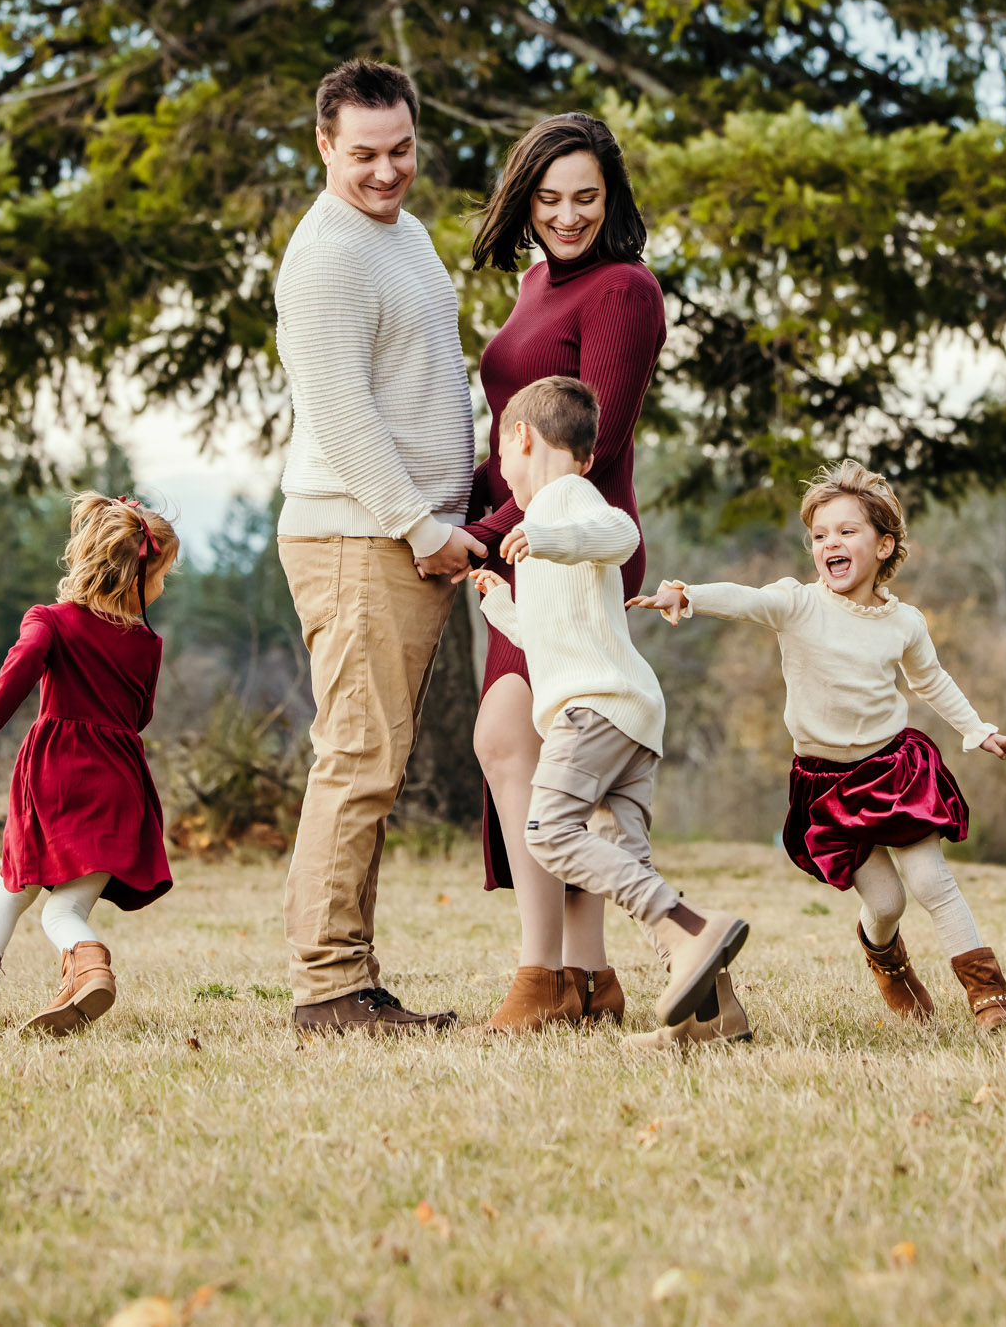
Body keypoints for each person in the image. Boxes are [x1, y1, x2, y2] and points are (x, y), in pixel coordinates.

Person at [630, 461, 1006, 1036]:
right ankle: (885, 957)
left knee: (931, 883)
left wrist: (981, 731)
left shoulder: (905, 623)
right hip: (827, 786)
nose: (830, 544)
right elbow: (743, 599)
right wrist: (685, 594)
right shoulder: (797, 603)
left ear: (884, 545)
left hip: (893, 770)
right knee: (887, 901)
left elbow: (931, 682)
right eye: (820, 535)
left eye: (846, 531)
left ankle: (992, 1002)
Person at [272, 59, 483, 1035]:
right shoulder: (327, 257)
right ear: (324, 144)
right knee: (357, 756)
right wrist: (419, 524)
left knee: (375, 757)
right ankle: (326, 986)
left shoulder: (404, 237)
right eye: (363, 153)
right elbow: (343, 417)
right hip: (358, 536)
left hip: (402, 537)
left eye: (400, 148)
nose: (387, 169)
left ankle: (349, 975)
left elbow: (428, 375)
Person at [463, 113, 667, 1033]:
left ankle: (540, 973)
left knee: (509, 737)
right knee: (543, 754)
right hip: (523, 540)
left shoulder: (624, 288)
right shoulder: (536, 281)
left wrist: (494, 531)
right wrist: (463, 516)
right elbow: (518, 431)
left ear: (611, 197)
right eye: (549, 198)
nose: (568, 214)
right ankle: (588, 976)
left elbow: (600, 437)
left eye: (586, 196)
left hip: (576, 544)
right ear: (525, 199)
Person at [471, 376, 751, 1039]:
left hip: (591, 712)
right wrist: (500, 603)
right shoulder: (547, 526)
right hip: (625, 711)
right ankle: (719, 1014)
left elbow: (617, 533)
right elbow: (550, 633)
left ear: (523, 438)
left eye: (501, 457)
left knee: (549, 832)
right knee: (622, 850)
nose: (500, 473)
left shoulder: (565, 501)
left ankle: (692, 927)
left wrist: (544, 539)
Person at [0, 494, 179, 1037]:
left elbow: (19, 671)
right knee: (63, 908)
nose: (163, 588)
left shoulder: (49, 621)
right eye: (162, 577)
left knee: (12, 889)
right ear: (136, 578)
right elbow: (139, 715)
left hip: (54, 776)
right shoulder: (146, 642)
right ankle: (84, 970)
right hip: (117, 781)